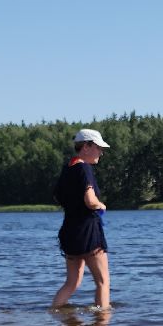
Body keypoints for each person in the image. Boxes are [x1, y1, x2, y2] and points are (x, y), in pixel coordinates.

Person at [49, 128, 111, 311]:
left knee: (72, 282)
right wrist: (101, 205)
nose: (101, 152)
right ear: (86, 146)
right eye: (98, 147)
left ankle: (54, 313)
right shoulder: (84, 168)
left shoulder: (67, 169)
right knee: (102, 281)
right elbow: (90, 200)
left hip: (69, 232)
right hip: (88, 233)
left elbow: (57, 198)